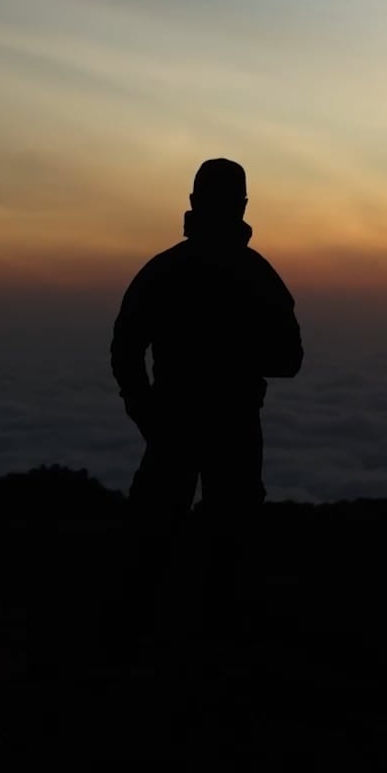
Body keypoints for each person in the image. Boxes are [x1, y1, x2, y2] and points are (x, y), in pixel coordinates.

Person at [109, 158, 303, 637]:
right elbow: (288, 359)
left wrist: (147, 412)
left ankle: (138, 638)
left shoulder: (164, 271)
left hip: (175, 424)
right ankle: (220, 643)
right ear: (242, 206)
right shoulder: (259, 276)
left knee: (155, 538)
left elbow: (125, 349)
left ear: (194, 203)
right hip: (232, 426)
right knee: (230, 544)